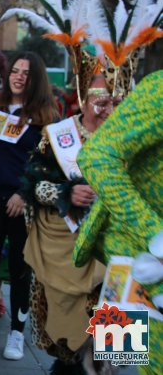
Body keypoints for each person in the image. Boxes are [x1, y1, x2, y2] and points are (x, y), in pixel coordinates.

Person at [21, 73, 115, 374]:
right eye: (100, 103)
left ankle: (112, 366)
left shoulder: (131, 136)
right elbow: (34, 186)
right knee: (69, 349)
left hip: (118, 249)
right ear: (84, 100)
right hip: (67, 250)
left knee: (117, 348)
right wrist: (66, 192)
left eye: (115, 103)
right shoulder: (59, 134)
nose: (108, 111)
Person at [0, 52, 59, 361]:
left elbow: (51, 165)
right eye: (16, 70)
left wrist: (25, 194)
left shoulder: (48, 116)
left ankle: (17, 332)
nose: (20, 76)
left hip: (25, 205)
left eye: (27, 73)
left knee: (22, 270)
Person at [75, 70, 163, 375]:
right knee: (116, 364)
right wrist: (155, 233)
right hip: (137, 254)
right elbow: (96, 156)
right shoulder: (160, 89)